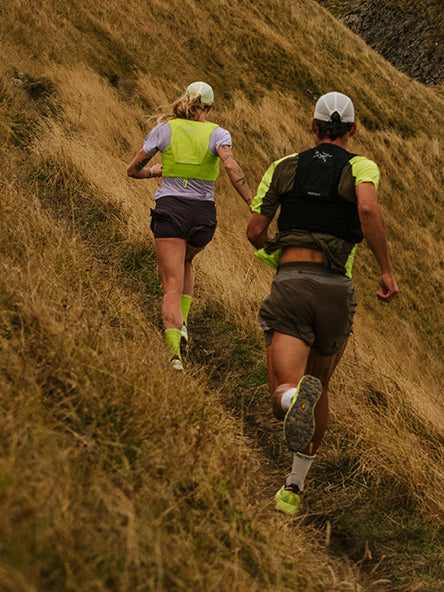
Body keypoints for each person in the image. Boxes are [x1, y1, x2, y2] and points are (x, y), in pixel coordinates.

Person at [246, 91, 398, 515]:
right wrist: (386, 269)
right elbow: (367, 207)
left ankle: (294, 399)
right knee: (321, 385)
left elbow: (255, 230)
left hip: (293, 285)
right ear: (353, 129)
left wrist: (272, 248)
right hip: (336, 291)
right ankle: (294, 487)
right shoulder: (361, 166)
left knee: (284, 391)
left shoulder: (285, 167)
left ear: (313, 126)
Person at [128, 81, 253, 370]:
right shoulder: (218, 134)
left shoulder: (165, 129)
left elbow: (132, 170)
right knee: (186, 260)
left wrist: (153, 173)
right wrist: (251, 202)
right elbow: (230, 166)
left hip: (171, 211)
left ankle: (174, 356)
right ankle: (182, 323)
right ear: (210, 107)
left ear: (185, 100)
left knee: (171, 286)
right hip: (202, 217)